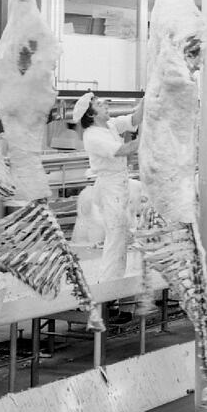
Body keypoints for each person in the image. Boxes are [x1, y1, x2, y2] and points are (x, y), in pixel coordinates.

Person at [75, 91, 143, 285]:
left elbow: (134, 118)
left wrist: (150, 97)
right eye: (98, 103)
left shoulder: (110, 126)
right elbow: (124, 150)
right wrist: (147, 136)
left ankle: (114, 289)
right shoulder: (92, 136)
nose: (104, 104)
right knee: (115, 238)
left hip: (119, 184)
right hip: (109, 187)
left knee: (120, 238)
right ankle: (106, 289)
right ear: (91, 114)